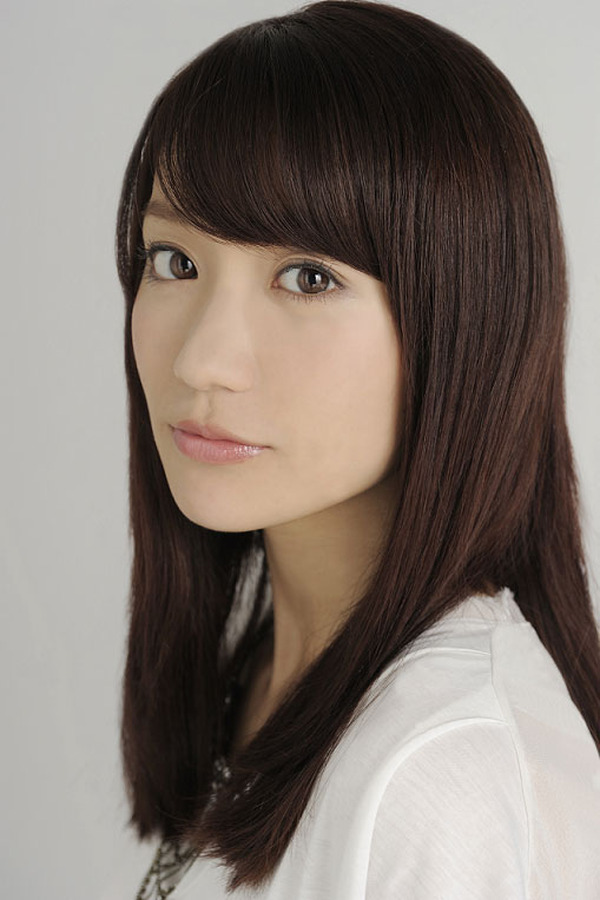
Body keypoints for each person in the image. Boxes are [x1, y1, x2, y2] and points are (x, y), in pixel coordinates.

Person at [106, 1, 600, 897]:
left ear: (466, 323)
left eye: (307, 277)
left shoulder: (446, 774)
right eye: (175, 262)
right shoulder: (272, 672)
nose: (201, 360)